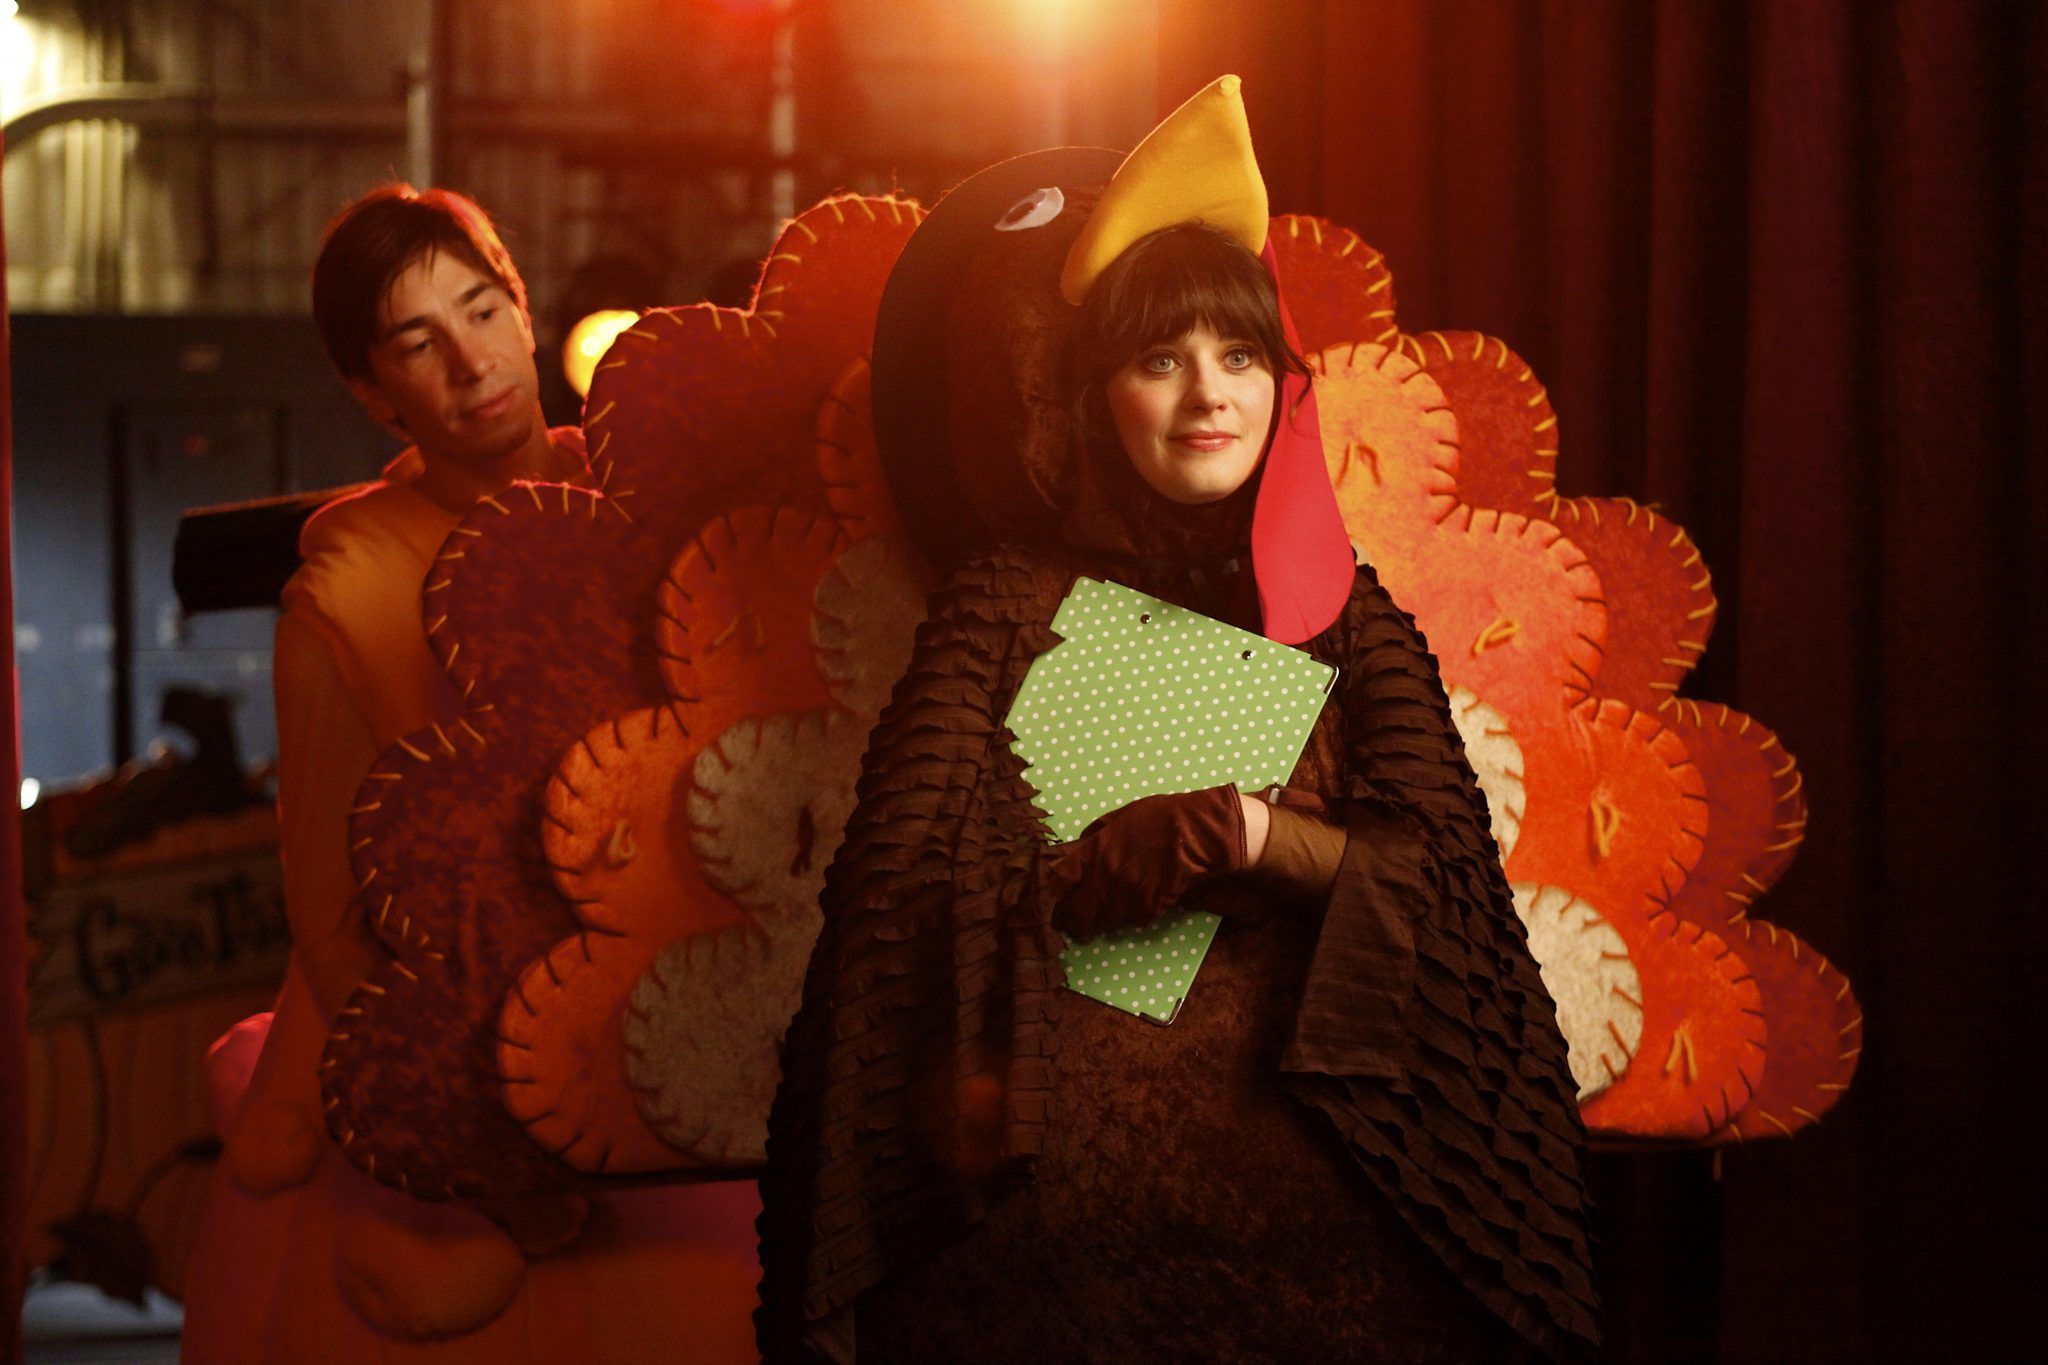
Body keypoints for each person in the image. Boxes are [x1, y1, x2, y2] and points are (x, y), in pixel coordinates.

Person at [754, 80, 1601, 1363]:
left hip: (1328, 1220)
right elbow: (892, 916)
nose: (1207, 394)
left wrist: (1249, 837)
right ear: (1092, 394)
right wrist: (1071, 878)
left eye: (1237, 356)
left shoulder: (1348, 617)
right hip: (1033, 1244)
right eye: (1159, 361)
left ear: (1278, 383)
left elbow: (1452, 906)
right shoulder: (1001, 604)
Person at [180, 185, 759, 1362]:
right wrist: (445, 1116)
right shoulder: (345, 595)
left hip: (676, 1006)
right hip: (450, 1022)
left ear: (524, 308)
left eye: (482, 311)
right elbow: (328, 902)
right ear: (370, 389)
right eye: (417, 342)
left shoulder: (651, 498)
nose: (470, 361)